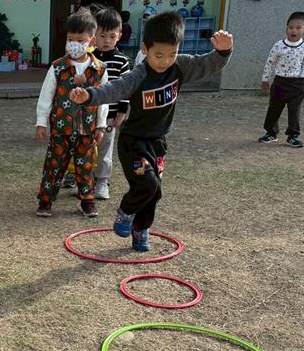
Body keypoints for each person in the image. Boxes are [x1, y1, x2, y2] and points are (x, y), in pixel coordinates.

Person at [70, 12, 233, 250]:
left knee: (154, 192)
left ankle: (140, 230)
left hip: (157, 144)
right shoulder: (139, 74)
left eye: (172, 54)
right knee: (147, 184)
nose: (165, 61)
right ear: (145, 49)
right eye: (159, 55)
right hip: (133, 144)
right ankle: (125, 212)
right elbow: (114, 89)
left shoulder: (180, 67)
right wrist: (88, 96)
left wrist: (224, 52)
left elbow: (207, 64)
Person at [35, 9, 108, 218]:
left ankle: (87, 201)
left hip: (88, 130)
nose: (74, 44)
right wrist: (41, 123)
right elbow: (46, 96)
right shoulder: (57, 68)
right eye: (70, 39)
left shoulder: (100, 70)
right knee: (54, 165)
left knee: (86, 166)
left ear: (91, 41)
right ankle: (46, 200)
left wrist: (101, 125)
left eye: (80, 40)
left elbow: (104, 100)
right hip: (61, 129)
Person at [92, 7, 131, 201]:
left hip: (110, 115)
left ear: (119, 36)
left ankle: (102, 181)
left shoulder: (122, 61)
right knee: (85, 147)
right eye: (102, 36)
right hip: (88, 114)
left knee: (105, 148)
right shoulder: (89, 58)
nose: (107, 41)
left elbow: (126, 89)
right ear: (94, 35)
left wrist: (122, 113)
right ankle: (84, 179)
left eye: (112, 36)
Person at [259, 11, 304, 149]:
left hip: (297, 84)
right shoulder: (278, 46)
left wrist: (303, 79)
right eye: (291, 27)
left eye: (298, 28)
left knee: (294, 110)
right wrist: (265, 79)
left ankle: (293, 136)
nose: (294, 31)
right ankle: (271, 133)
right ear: (286, 28)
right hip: (280, 83)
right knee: (274, 108)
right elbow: (270, 62)